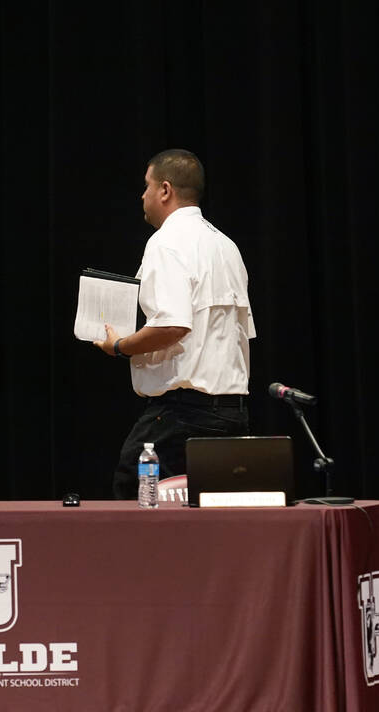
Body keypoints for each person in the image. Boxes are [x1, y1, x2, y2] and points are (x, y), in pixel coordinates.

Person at [94, 149, 255, 499]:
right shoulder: (226, 246)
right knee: (214, 518)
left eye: (146, 186)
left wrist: (119, 346)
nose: (142, 196)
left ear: (165, 190)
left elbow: (172, 326)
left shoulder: (166, 242)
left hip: (185, 413)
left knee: (133, 497)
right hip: (232, 413)